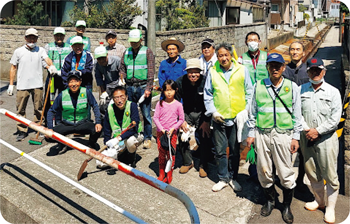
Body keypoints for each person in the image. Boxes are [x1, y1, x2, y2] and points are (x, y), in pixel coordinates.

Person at [246, 53, 302, 224]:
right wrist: (250, 133)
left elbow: (297, 114)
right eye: (272, 65)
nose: (275, 68)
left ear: (283, 68)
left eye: (278, 65)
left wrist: (296, 137)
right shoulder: (258, 86)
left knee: (285, 173)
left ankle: (286, 206)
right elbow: (252, 111)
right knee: (264, 172)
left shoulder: (292, 87)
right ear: (268, 67)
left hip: (283, 134)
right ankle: (270, 201)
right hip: (262, 133)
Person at [204, 43, 253, 192]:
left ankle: (233, 177)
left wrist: (246, 110)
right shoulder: (213, 71)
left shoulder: (242, 70)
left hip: (237, 118)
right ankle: (223, 178)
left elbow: (250, 92)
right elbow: (208, 94)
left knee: (234, 150)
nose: (223, 58)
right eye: (220, 55)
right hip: (219, 118)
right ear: (216, 57)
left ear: (231, 55)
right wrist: (213, 111)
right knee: (219, 150)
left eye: (226, 55)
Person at [300, 58, 342, 224]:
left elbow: (335, 118)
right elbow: (297, 114)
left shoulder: (333, 92)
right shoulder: (301, 90)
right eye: (312, 70)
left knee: (330, 174)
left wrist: (317, 131)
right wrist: (307, 130)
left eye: (318, 70)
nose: (315, 73)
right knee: (312, 171)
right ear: (308, 72)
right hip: (306, 137)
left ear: (324, 71)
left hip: (326, 139)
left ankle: (330, 208)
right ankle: (319, 201)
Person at [8, 28, 55, 141]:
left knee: (39, 109)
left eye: (34, 37)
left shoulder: (40, 50)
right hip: (22, 85)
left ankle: (38, 128)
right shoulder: (18, 51)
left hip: (37, 84)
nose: (32, 40)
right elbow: (13, 67)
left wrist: (51, 66)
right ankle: (22, 130)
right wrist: (11, 84)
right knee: (20, 109)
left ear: (37, 39)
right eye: (30, 37)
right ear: (25, 38)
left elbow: (47, 60)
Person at [46, 70, 102, 155]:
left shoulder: (86, 92)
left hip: (82, 123)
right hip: (66, 124)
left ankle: (91, 143)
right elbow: (51, 111)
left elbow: (95, 106)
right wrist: (50, 128)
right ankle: (62, 144)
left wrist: (98, 122)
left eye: (76, 81)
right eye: (71, 81)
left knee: (97, 129)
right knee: (48, 137)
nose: (74, 84)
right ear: (67, 83)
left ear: (80, 81)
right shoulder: (62, 95)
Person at [176, 58, 212, 178]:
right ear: (186, 72)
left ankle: (203, 165)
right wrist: (181, 120)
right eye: (190, 72)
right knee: (183, 135)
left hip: (203, 112)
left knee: (204, 136)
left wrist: (206, 120)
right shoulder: (180, 82)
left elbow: (211, 101)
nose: (193, 75)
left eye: (196, 72)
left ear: (200, 72)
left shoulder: (206, 81)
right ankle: (187, 162)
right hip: (186, 112)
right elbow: (176, 102)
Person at [119, 29, 155, 149]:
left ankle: (147, 137)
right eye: (132, 41)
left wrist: (149, 88)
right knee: (131, 112)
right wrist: (121, 77)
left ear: (141, 39)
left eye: (136, 41)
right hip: (129, 86)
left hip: (143, 86)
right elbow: (123, 67)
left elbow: (151, 71)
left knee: (146, 113)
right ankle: (133, 135)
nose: (134, 43)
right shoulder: (127, 52)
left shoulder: (147, 52)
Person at [283, 41, 310, 192]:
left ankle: (300, 180)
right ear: (289, 52)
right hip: (287, 116)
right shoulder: (284, 70)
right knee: (286, 149)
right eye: (292, 49)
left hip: (304, 116)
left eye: (298, 49)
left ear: (303, 52)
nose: (295, 52)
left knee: (303, 152)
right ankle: (286, 179)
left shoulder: (308, 70)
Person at [99, 86, 144, 168]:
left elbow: (134, 128)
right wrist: (108, 145)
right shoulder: (109, 109)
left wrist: (118, 139)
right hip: (118, 140)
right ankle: (122, 153)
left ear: (126, 97)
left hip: (134, 136)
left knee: (131, 142)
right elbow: (107, 130)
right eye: (116, 98)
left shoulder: (132, 106)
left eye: (122, 97)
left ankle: (131, 159)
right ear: (113, 99)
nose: (119, 100)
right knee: (101, 164)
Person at [153, 80, 184, 184]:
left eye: (171, 90)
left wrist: (173, 129)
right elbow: (156, 118)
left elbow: (181, 119)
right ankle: (161, 173)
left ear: (176, 90)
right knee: (161, 152)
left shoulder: (178, 105)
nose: (169, 93)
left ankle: (169, 174)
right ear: (163, 91)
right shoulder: (160, 103)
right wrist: (162, 129)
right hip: (161, 133)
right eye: (166, 90)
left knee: (171, 154)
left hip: (172, 133)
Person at [43, 27, 72, 126]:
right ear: (54, 36)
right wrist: (48, 67)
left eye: (61, 35)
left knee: (62, 99)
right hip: (52, 77)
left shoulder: (69, 47)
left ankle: (59, 121)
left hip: (64, 78)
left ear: (64, 36)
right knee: (48, 100)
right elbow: (43, 60)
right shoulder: (48, 46)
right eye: (57, 35)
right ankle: (48, 122)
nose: (59, 37)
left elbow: (71, 61)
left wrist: (65, 72)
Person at [94, 45, 121, 111]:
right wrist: (103, 92)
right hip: (107, 86)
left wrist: (121, 80)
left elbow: (122, 71)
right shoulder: (96, 64)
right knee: (103, 106)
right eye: (99, 59)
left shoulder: (117, 61)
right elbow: (99, 78)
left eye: (103, 58)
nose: (101, 60)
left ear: (107, 55)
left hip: (118, 84)